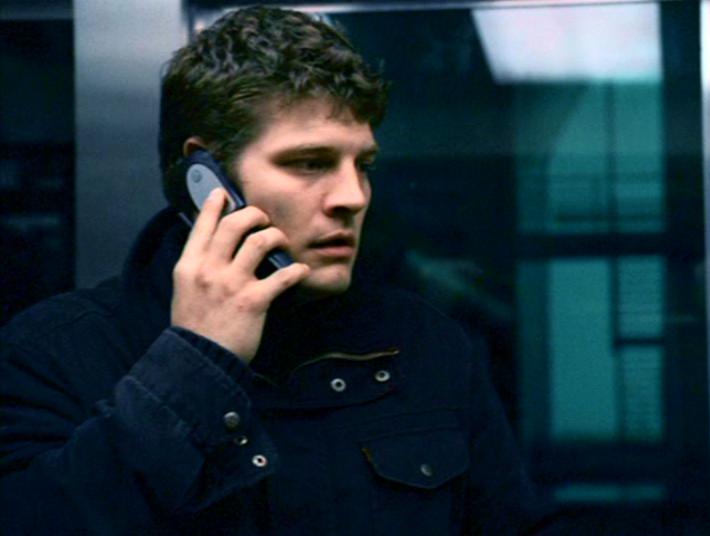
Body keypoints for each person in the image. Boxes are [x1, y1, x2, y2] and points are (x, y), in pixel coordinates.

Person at [0, 7, 557, 534]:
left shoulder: (422, 344)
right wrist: (193, 362)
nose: (353, 196)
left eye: (363, 165)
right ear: (205, 179)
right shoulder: (55, 353)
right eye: (310, 163)